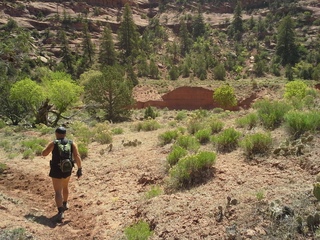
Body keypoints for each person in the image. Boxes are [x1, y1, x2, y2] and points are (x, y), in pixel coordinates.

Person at [42, 126, 82, 222]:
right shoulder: (71, 143)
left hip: (56, 169)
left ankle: (60, 212)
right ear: (65, 134)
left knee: (57, 191)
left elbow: (44, 154)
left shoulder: (54, 143)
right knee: (65, 186)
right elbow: (77, 156)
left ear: (56, 134)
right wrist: (80, 169)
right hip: (67, 169)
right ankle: (65, 203)